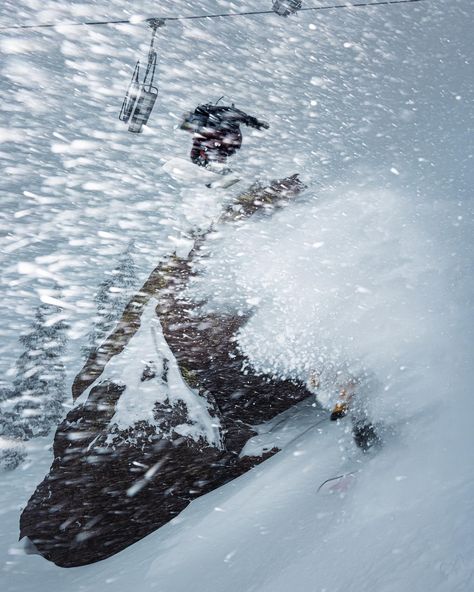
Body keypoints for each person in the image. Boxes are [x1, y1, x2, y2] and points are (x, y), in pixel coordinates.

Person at [180, 102, 269, 168]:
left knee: (214, 147)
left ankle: (217, 165)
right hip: (222, 140)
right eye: (188, 129)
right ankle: (211, 166)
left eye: (190, 127)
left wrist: (254, 122)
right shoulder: (201, 132)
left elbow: (236, 114)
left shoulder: (216, 115)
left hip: (229, 137)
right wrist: (195, 157)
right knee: (205, 146)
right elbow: (197, 143)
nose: (191, 131)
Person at [308, 370, 380, 451]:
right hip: (353, 401)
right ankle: (369, 445)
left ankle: (375, 443)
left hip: (363, 392)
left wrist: (341, 406)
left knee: (361, 418)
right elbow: (314, 382)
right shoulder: (321, 372)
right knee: (359, 423)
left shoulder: (343, 374)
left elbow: (349, 387)